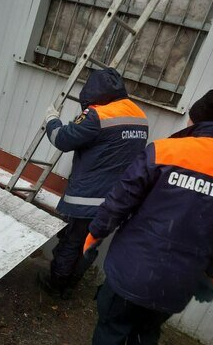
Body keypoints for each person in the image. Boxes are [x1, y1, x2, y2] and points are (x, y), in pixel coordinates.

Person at [73, 88, 213, 345]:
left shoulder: (166, 150)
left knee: (113, 327)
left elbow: (120, 199)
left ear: (196, 118)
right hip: (179, 282)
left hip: (133, 269)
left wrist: (95, 234)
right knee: (146, 334)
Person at [37, 68, 148, 299]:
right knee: (90, 245)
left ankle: (56, 285)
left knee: (71, 242)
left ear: (95, 91)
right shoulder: (139, 116)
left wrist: (51, 120)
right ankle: (70, 286)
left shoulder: (98, 115)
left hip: (86, 199)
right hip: (117, 201)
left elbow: (63, 139)